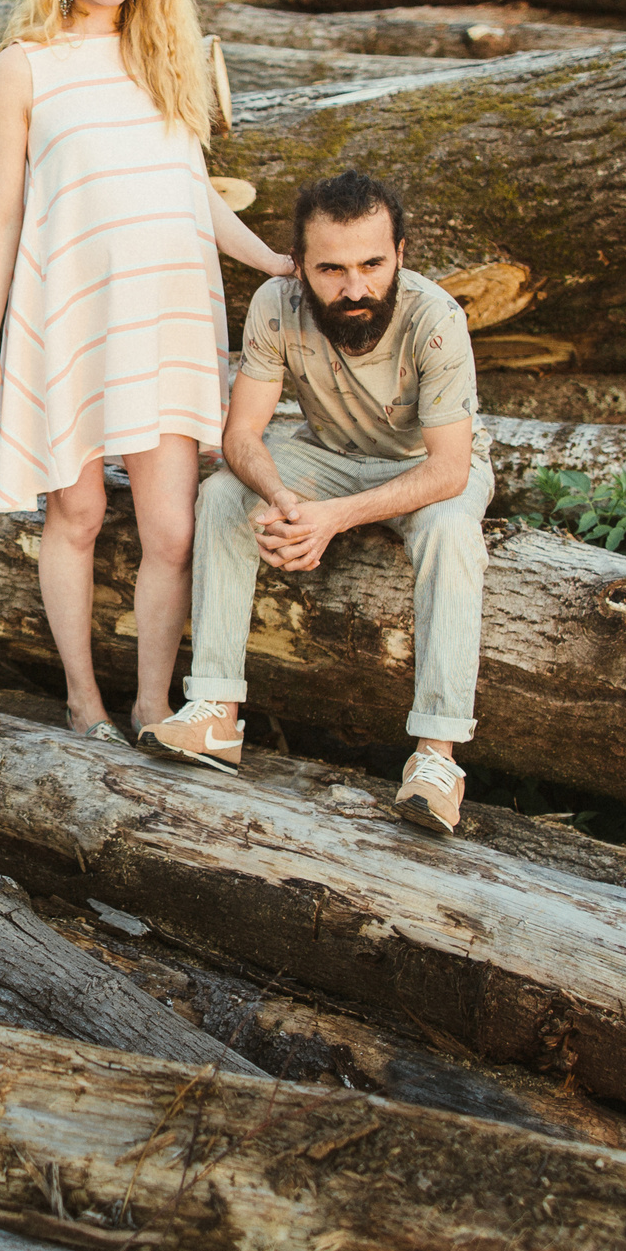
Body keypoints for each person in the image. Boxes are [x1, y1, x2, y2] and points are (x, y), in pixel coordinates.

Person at [0, 0, 292, 747]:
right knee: (76, 513)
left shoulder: (167, 57)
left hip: (166, 317)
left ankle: (154, 706)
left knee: (173, 531)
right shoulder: (24, 66)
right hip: (67, 316)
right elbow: (2, 215)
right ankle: (84, 703)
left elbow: (193, 191)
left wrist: (270, 258)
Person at [138, 172, 494, 834]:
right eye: (331, 269)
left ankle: (437, 759)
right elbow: (241, 435)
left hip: (423, 467)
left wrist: (331, 518)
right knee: (222, 493)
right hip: (326, 458)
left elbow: (450, 469)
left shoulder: (436, 319)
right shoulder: (275, 304)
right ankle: (214, 711)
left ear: (401, 254)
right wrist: (280, 495)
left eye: (372, 265)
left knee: (450, 529)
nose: (354, 288)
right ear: (299, 265)